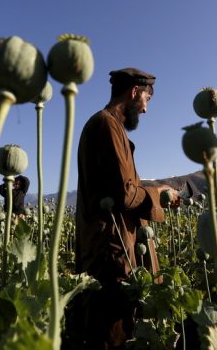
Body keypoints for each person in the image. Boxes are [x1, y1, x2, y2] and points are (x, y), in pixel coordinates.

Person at [70, 67, 180, 349]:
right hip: (111, 249)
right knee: (112, 331)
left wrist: (156, 190)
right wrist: (160, 194)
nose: (145, 109)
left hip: (112, 244)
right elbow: (124, 194)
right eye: (147, 99)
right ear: (133, 93)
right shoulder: (106, 125)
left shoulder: (109, 126)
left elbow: (121, 185)